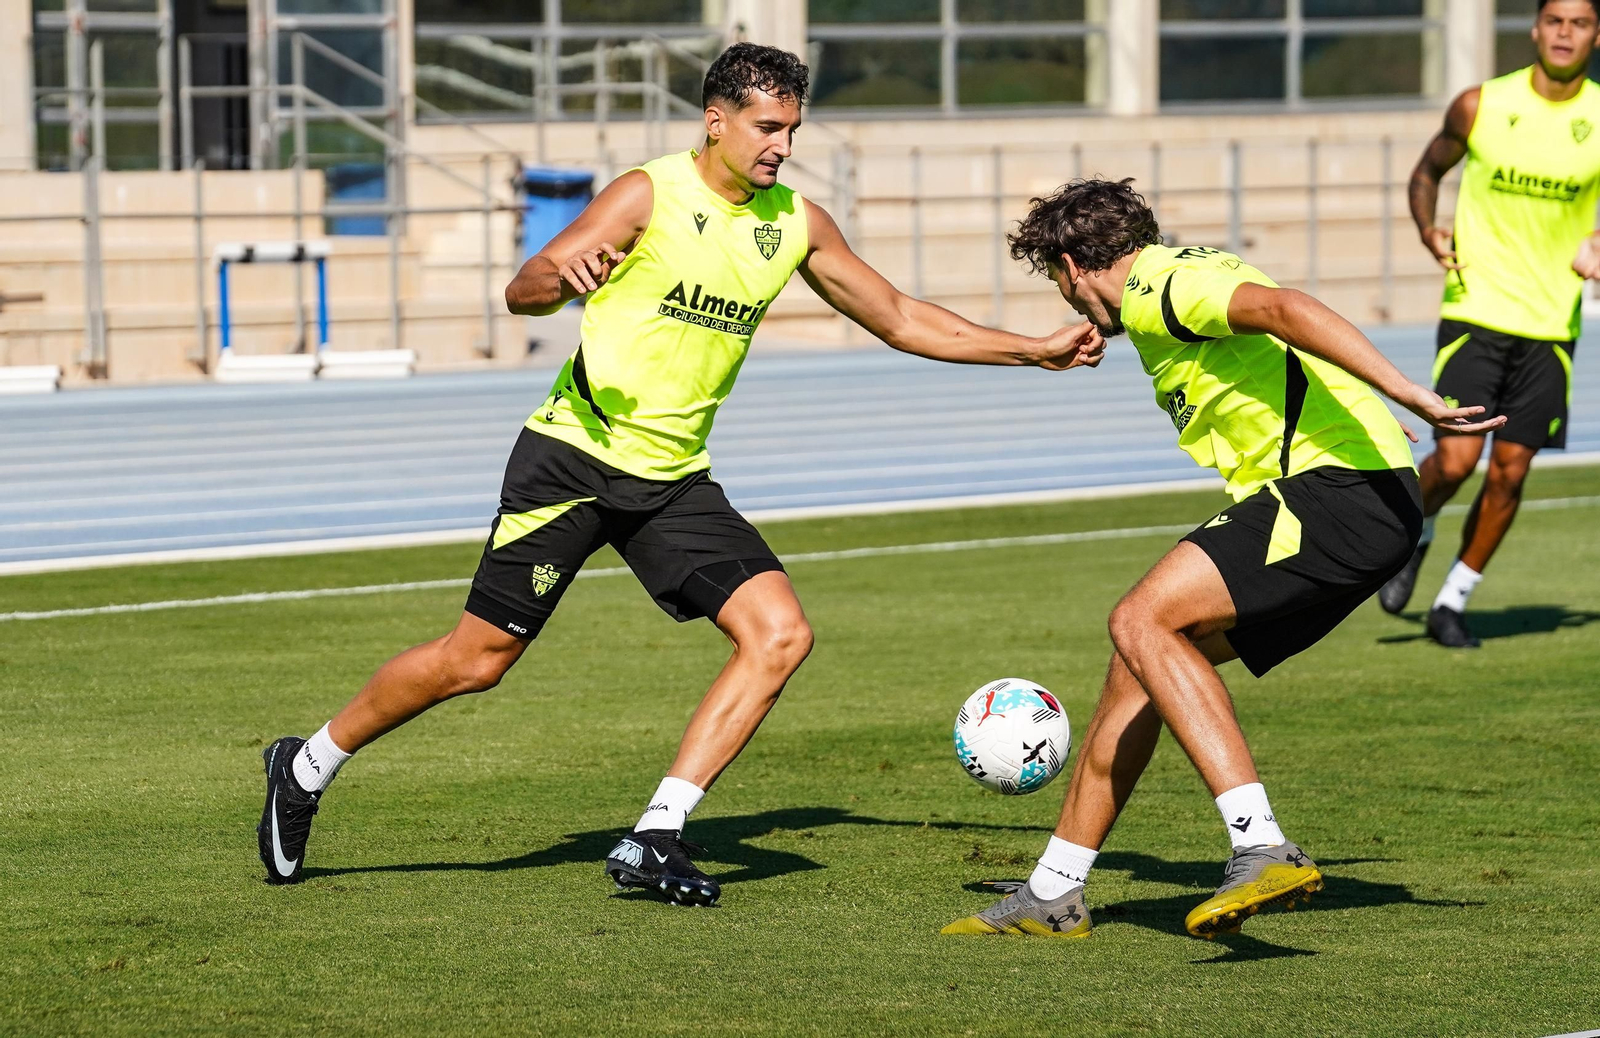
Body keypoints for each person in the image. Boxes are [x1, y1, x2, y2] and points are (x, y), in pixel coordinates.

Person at [257, 43, 1105, 903]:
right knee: (476, 661)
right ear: (717, 119)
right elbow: (524, 288)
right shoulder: (647, 192)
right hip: (574, 461)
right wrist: (562, 278)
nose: (780, 145)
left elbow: (898, 316)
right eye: (766, 127)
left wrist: (1029, 350)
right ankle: (310, 760)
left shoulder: (795, 223)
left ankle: (656, 833)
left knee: (780, 634)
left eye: (792, 129)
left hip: (673, 481)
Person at [943, 179, 1503, 940]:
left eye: (1061, 284)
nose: (1071, 304)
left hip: (1339, 493)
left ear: (1074, 265)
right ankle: (1055, 890)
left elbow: (1287, 308)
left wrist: (1406, 391)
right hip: (1353, 498)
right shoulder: (1166, 288)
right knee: (1135, 662)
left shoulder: (1160, 285)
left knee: (1139, 617)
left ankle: (1259, 842)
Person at [1379, 0, 1600, 647]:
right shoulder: (1480, 105)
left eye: (1580, 22)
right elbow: (1426, 173)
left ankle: (1452, 602)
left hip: (1551, 324)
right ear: (1534, 28)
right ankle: (1413, 533)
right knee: (1453, 459)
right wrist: (1428, 229)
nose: (1565, 33)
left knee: (1510, 471)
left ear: (1596, 34)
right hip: (1476, 308)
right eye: (1555, 20)